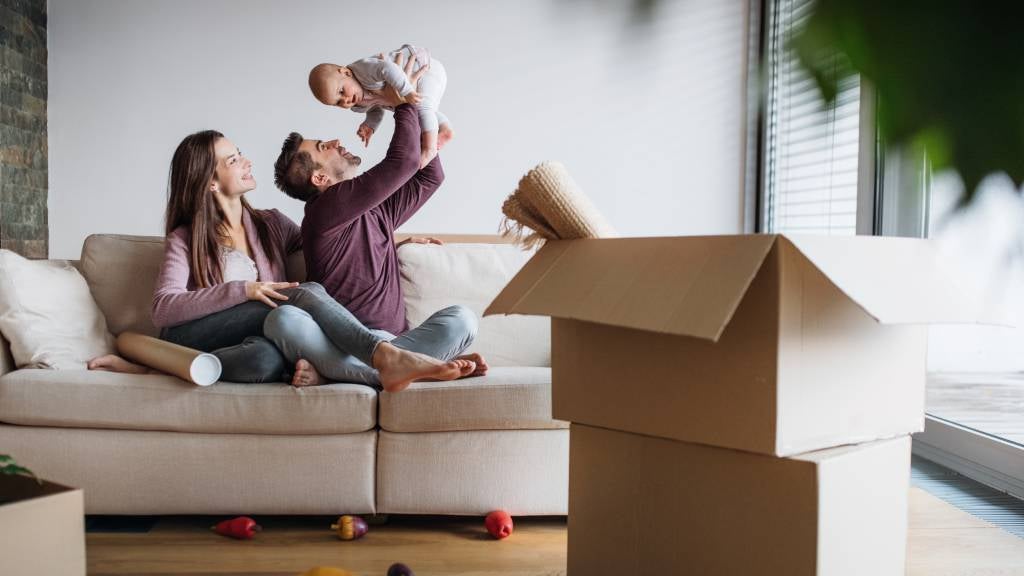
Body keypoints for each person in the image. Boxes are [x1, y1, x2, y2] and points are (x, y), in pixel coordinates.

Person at [88, 127, 475, 392]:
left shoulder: (272, 223)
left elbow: (330, 244)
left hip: (257, 340)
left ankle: (382, 367)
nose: (246, 162)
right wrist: (244, 291)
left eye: (240, 155)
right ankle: (386, 357)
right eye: (233, 159)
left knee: (265, 360)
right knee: (301, 296)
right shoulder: (185, 238)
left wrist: (395, 244)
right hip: (194, 334)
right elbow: (162, 309)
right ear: (209, 180)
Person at [275, 54, 488, 388]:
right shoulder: (323, 211)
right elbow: (404, 163)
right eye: (322, 147)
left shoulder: (376, 210)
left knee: (463, 319)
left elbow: (430, 176)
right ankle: (411, 366)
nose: (333, 142)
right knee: (285, 319)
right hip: (346, 344)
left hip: (396, 341)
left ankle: (352, 372)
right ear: (319, 179)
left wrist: (409, 103)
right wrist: (400, 100)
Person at [308, 43, 452, 168]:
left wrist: (407, 90)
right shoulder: (357, 104)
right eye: (338, 102)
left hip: (424, 68)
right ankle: (445, 129)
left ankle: (429, 149)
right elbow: (375, 109)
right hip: (414, 84)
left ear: (346, 72)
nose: (345, 100)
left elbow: (388, 68)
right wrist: (370, 124)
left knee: (423, 108)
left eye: (341, 91)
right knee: (425, 111)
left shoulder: (363, 70)